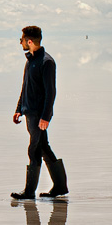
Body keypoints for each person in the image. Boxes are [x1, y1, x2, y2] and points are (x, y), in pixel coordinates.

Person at [11, 25, 68, 200]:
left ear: (29, 41)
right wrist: (18, 108)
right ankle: (59, 186)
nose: (20, 42)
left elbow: (51, 92)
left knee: (34, 149)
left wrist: (45, 116)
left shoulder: (46, 62)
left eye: (21, 39)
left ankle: (29, 192)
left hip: (38, 115)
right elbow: (25, 87)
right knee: (43, 148)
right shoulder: (30, 60)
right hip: (29, 112)